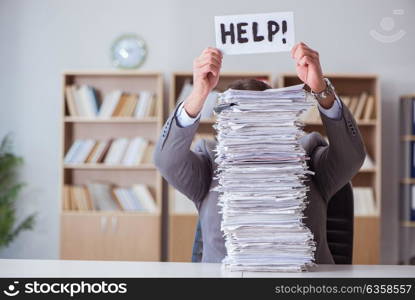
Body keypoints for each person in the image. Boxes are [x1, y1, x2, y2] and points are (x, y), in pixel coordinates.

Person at [154, 42, 366, 263]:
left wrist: (321, 90)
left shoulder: (309, 155)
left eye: (260, 115)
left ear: (278, 117)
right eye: (241, 117)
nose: (250, 126)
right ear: (224, 123)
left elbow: (351, 156)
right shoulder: (209, 162)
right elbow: (167, 160)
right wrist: (199, 94)